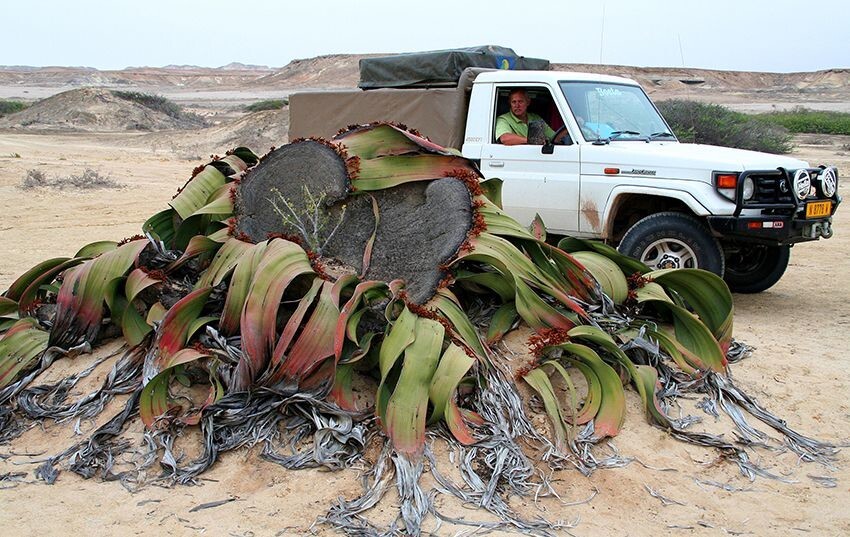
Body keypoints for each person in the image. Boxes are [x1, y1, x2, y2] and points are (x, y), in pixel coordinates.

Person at [495, 88, 562, 145]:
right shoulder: (504, 119)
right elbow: (505, 138)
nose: (517, 105)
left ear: (528, 102)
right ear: (510, 104)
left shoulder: (535, 118)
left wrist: (567, 130)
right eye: (514, 102)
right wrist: (531, 140)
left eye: (520, 101)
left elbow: (554, 137)